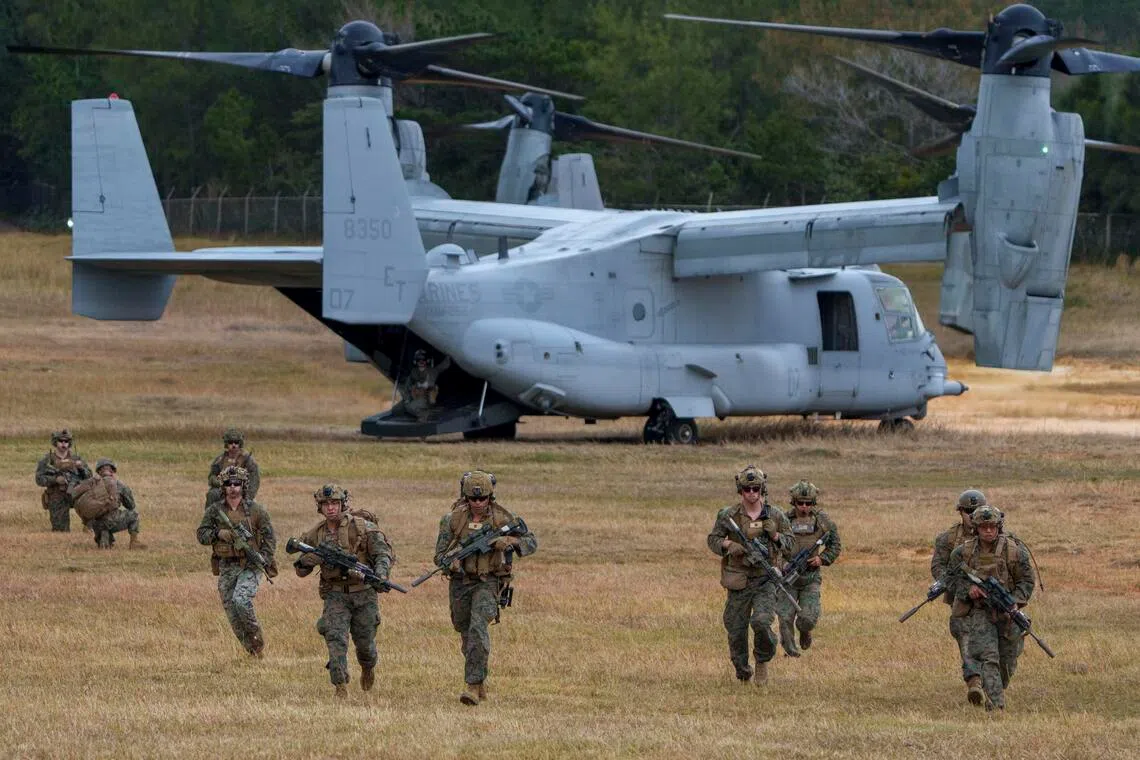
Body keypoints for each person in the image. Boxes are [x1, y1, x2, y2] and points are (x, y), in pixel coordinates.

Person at [432, 470, 536, 705]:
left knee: (479, 629)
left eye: (482, 498)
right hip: (460, 584)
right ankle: (479, 683)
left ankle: (471, 685)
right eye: (473, 499)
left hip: (488, 583)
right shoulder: (453, 520)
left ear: (490, 497)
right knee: (467, 634)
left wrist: (507, 543)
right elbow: (439, 557)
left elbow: (531, 542)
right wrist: (452, 562)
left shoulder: (502, 518)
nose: (478, 503)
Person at [294, 484, 394, 698]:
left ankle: (368, 668)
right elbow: (300, 570)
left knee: (365, 644)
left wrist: (381, 575)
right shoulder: (315, 535)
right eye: (326, 504)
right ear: (320, 507)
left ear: (343, 504)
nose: (331, 508)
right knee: (335, 639)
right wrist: (310, 560)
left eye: (335, 503)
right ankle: (340, 686)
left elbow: (383, 553)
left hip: (364, 593)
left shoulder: (362, 527)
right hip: (335, 594)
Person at [707, 466, 794, 684]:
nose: (752, 493)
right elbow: (713, 540)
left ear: (762, 489)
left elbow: (791, 545)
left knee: (762, 622)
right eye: (747, 489)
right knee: (736, 630)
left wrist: (774, 535)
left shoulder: (776, 515)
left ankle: (762, 661)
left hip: (766, 579)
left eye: (756, 488)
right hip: (739, 579)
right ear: (741, 490)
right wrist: (729, 545)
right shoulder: (729, 515)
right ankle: (743, 669)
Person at [946, 505, 1035, 711]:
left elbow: (1027, 582)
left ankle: (993, 689)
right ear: (976, 528)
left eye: (992, 527)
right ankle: (996, 707)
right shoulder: (962, 553)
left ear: (999, 527)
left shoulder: (1014, 552)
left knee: (1008, 660)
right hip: (979, 613)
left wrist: (1014, 601)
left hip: (1008, 613)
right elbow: (949, 580)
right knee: (989, 657)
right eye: (984, 527)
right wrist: (969, 590)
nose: (988, 531)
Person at [196, 466, 276, 656]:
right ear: (223, 486)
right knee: (231, 610)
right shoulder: (215, 511)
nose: (232, 487)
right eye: (228, 484)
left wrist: (264, 558)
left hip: (250, 564)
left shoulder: (257, 511)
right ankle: (252, 651)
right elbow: (201, 534)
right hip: (227, 565)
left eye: (236, 483)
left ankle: (257, 639)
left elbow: (270, 538)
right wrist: (217, 533)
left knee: (241, 600)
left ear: (243, 485)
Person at [776, 480, 841, 656]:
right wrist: (782, 565)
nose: (804, 507)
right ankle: (790, 652)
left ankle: (805, 630)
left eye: (808, 503)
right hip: (787, 579)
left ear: (813, 503)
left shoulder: (823, 521)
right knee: (784, 617)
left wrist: (822, 558)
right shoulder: (782, 521)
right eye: (800, 503)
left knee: (807, 619)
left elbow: (835, 545)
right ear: (793, 502)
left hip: (810, 579)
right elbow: (772, 548)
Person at [932, 488, 985, 702]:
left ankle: (993, 680)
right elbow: (938, 568)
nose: (972, 516)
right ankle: (974, 681)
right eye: (967, 511)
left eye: (976, 511)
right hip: (961, 600)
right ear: (960, 512)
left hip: (991, 600)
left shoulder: (996, 535)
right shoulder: (948, 539)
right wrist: (960, 586)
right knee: (964, 635)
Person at [34, 429, 92, 532]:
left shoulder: (76, 458)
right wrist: (55, 479)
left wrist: (81, 468)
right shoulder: (47, 460)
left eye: (66, 441)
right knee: (60, 530)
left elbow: (89, 476)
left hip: (75, 492)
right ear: (55, 442)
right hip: (57, 495)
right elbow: (39, 479)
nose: (63, 444)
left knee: (94, 506)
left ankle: (88, 525)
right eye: (60, 441)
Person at [85, 459, 144, 549]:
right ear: (112, 471)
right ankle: (134, 542)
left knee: (106, 540)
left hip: (95, 523)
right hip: (113, 520)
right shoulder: (118, 484)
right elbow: (131, 505)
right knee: (134, 515)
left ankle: (104, 536)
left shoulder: (92, 484)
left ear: (98, 471)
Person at [205, 428, 260, 508]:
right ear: (226, 444)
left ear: (240, 443)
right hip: (223, 491)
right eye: (230, 442)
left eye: (236, 442)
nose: (233, 445)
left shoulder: (248, 460)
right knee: (212, 494)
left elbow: (254, 481)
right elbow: (211, 477)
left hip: (241, 491)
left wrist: (248, 496)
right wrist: (219, 482)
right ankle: (209, 519)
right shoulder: (220, 460)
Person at [399, 349, 451, 421]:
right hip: (414, 397)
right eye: (419, 360)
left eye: (423, 360)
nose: (421, 362)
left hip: (425, 398)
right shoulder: (414, 372)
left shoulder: (431, 371)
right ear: (415, 361)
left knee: (411, 407)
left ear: (427, 360)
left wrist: (448, 358)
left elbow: (428, 384)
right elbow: (406, 387)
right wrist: (407, 398)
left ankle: (426, 415)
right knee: (397, 410)